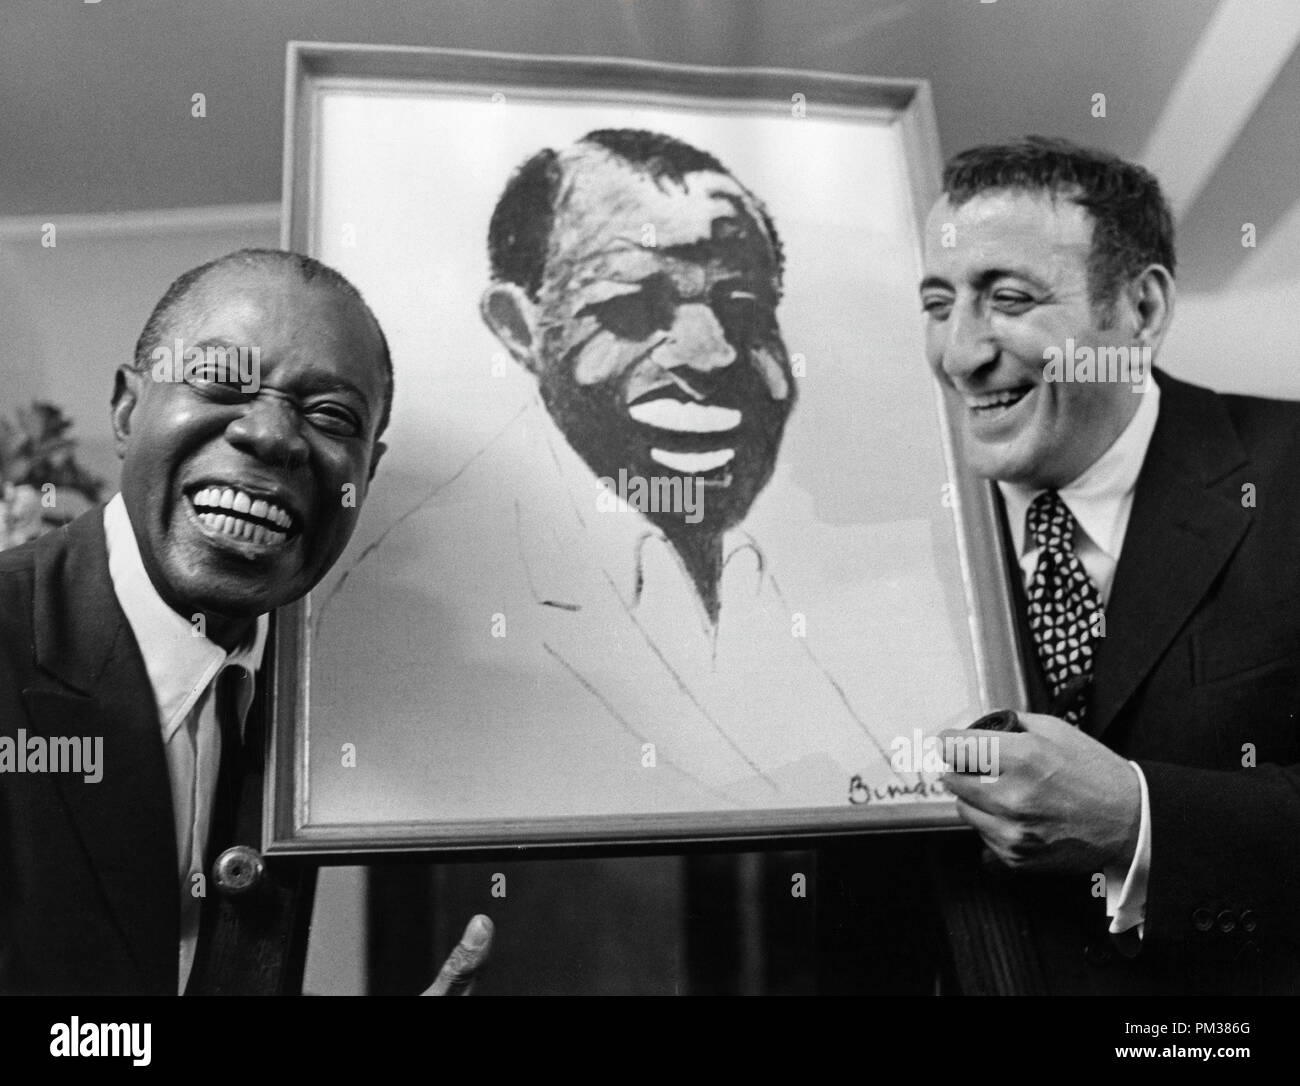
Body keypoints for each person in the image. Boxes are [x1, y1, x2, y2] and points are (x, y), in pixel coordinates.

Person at [311, 129, 970, 819]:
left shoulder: (898, 595)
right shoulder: (411, 606)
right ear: (520, 327)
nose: (709, 355)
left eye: (743, 308)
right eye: (630, 310)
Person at [0, 249, 492, 995]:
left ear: (367, 472)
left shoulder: (309, 702)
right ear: (129, 410)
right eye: (223, 380)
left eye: (331, 415)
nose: (273, 436)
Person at [922, 136, 1300, 994]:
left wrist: (1139, 820)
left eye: (1007, 297)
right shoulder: (882, 549)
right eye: (938, 304)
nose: (959, 353)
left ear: (1140, 309)